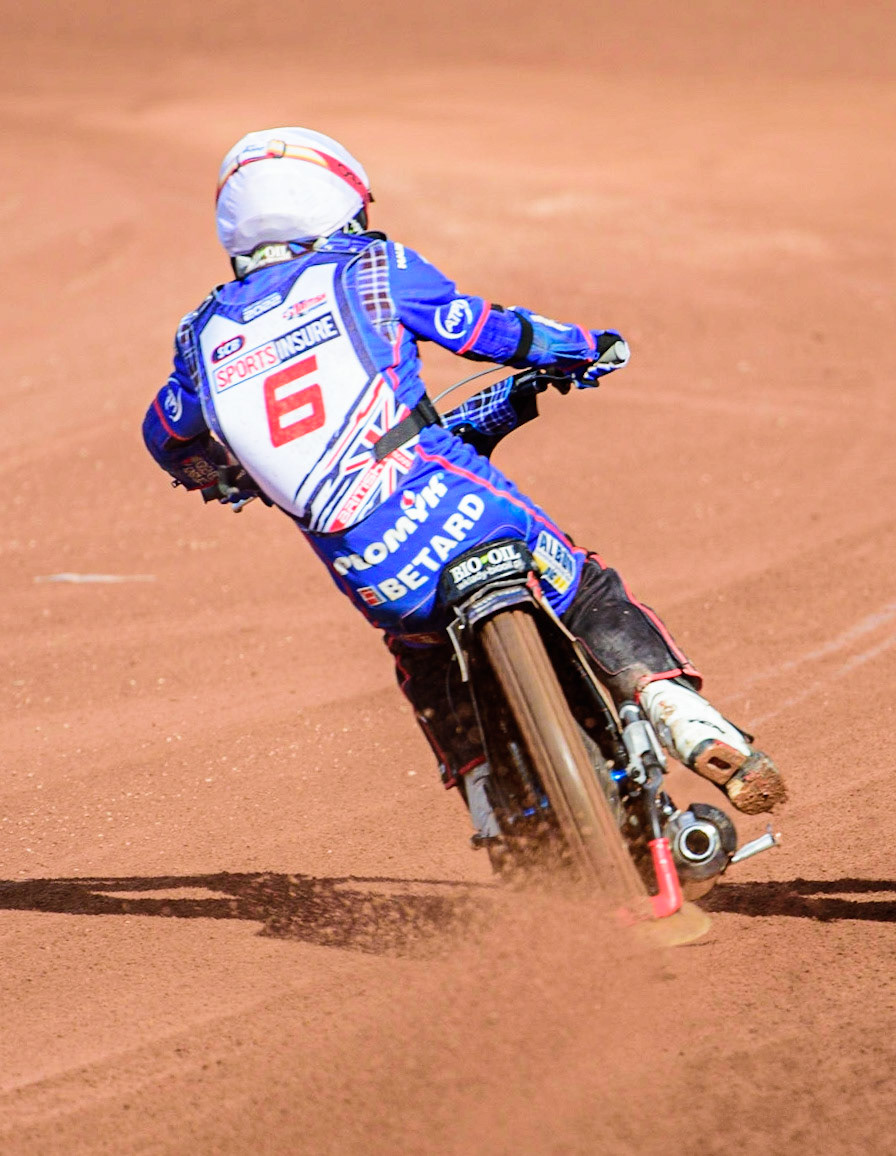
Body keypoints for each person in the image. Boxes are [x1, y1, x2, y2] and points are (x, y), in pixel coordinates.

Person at [142, 127, 786, 852]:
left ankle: (485, 801)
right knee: (582, 586)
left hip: (370, 569)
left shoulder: (201, 335)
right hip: (454, 501)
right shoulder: (371, 269)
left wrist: (227, 477)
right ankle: (680, 714)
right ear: (338, 206)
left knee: (419, 653)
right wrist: (582, 349)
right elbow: (484, 330)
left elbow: (167, 436)